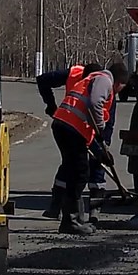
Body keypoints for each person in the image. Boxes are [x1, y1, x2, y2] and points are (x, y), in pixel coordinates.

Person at [49, 62, 130, 234]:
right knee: (80, 173)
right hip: (69, 127)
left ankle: (74, 220)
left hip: (66, 125)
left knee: (76, 172)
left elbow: (87, 126)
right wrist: (101, 129)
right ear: (119, 82)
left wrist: (101, 153)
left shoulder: (95, 79)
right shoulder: (104, 80)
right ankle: (71, 221)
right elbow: (94, 103)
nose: (119, 91)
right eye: (122, 87)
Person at [36, 62, 110, 220]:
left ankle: (92, 210)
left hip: (77, 126)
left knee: (92, 164)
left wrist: (102, 151)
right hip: (70, 124)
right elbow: (42, 80)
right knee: (74, 166)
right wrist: (51, 105)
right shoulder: (75, 74)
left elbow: (104, 128)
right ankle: (61, 208)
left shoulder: (105, 90)